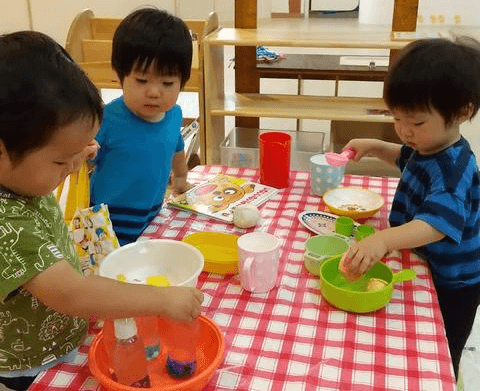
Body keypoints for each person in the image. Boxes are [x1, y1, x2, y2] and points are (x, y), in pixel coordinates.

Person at [0, 31, 203, 391]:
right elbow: (72, 293)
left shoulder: (21, 178)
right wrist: (162, 299)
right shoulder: (5, 224)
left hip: (68, 336)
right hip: (31, 364)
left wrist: (75, 154)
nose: (71, 167)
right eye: (61, 160)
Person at [342, 37, 480, 380]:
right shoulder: (429, 144)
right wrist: (375, 146)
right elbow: (406, 159)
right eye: (397, 118)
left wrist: (385, 240)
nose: (405, 131)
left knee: (443, 344)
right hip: (426, 260)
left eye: (416, 123)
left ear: (462, 112)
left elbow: (436, 224)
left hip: (456, 280)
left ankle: (446, 378)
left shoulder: (452, 168)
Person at [89, 8, 193, 245]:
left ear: (182, 83)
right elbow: (80, 164)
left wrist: (180, 179)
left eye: (167, 82)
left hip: (152, 216)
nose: (154, 92)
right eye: (142, 80)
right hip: (107, 223)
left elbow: (176, 147)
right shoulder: (105, 119)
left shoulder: (174, 114)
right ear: (120, 75)